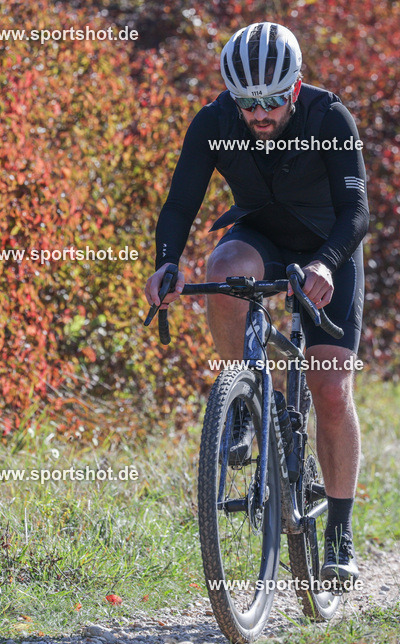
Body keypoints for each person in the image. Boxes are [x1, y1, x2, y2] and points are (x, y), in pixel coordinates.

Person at [144, 21, 368, 583]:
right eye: (248, 104)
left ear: (296, 88)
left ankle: (340, 531)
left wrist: (326, 264)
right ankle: (243, 395)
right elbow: (180, 205)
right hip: (260, 238)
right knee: (221, 272)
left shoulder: (329, 118)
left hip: (328, 248)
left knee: (330, 389)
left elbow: (357, 212)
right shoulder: (214, 121)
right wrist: (166, 262)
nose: (260, 114)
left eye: (272, 102)